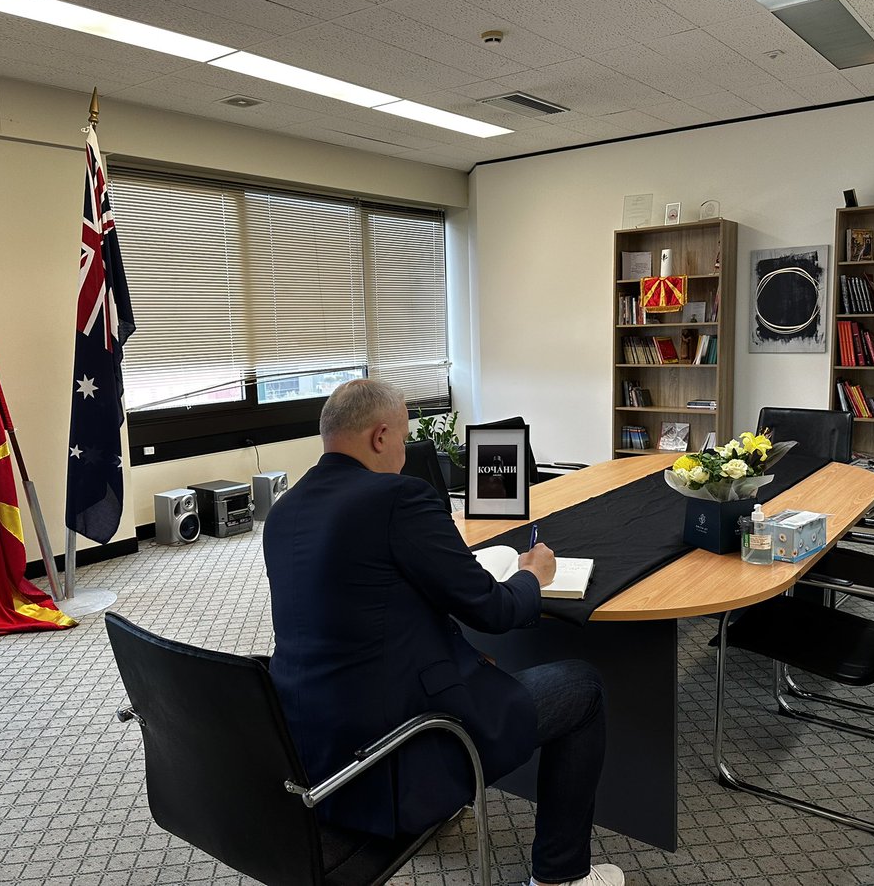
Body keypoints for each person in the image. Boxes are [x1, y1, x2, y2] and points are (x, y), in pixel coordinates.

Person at [264, 379, 624, 886]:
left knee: (481, 665)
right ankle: (560, 876)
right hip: (400, 744)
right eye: (405, 439)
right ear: (380, 435)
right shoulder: (397, 498)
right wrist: (532, 577)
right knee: (582, 688)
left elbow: (367, 609)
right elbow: (494, 610)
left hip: (313, 752)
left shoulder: (283, 512)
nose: (405, 455)